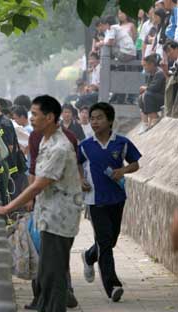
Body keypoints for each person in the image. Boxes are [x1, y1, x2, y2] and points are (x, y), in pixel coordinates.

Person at [0, 95, 83, 312]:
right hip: (47, 214)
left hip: (60, 218)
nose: (31, 118)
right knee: (45, 273)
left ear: (49, 117)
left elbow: (38, 185)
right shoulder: (44, 139)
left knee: (54, 275)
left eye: (35, 114)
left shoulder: (59, 147)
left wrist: (6, 208)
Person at [79, 102, 141, 303]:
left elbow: (135, 164)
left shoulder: (121, 143)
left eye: (99, 118)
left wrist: (122, 171)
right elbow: (76, 164)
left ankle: (89, 256)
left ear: (110, 121)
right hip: (95, 200)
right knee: (105, 241)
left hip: (117, 198)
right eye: (92, 118)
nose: (94, 122)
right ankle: (113, 285)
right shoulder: (85, 146)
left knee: (111, 240)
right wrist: (81, 179)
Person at [24, 124, 80, 310]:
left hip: (59, 207)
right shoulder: (35, 136)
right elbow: (33, 167)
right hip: (44, 204)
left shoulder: (67, 140)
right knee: (44, 252)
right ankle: (44, 296)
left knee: (52, 253)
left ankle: (60, 293)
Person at [138, 53, 166, 133]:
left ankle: (154, 118)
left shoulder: (160, 73)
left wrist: (145, 88)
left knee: (147, 95)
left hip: (163, 98)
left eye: (145, 65)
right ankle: (145, 123)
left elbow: (154, 88)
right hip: (156, 96)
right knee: (142, 96)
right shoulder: (151, 74)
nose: (144, 68)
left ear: (152, 64)